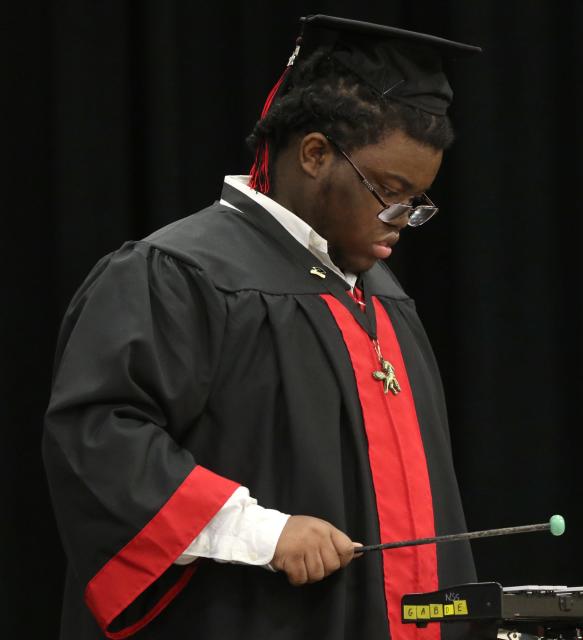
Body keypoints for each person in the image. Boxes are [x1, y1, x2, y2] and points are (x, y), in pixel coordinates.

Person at [43, 14, 480, 640]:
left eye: (417, 203)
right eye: (390, 193)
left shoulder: (383, 297)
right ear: (315, 154)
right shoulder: (179, 274)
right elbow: (98, 438)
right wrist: (262, 532)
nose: (402, 221)